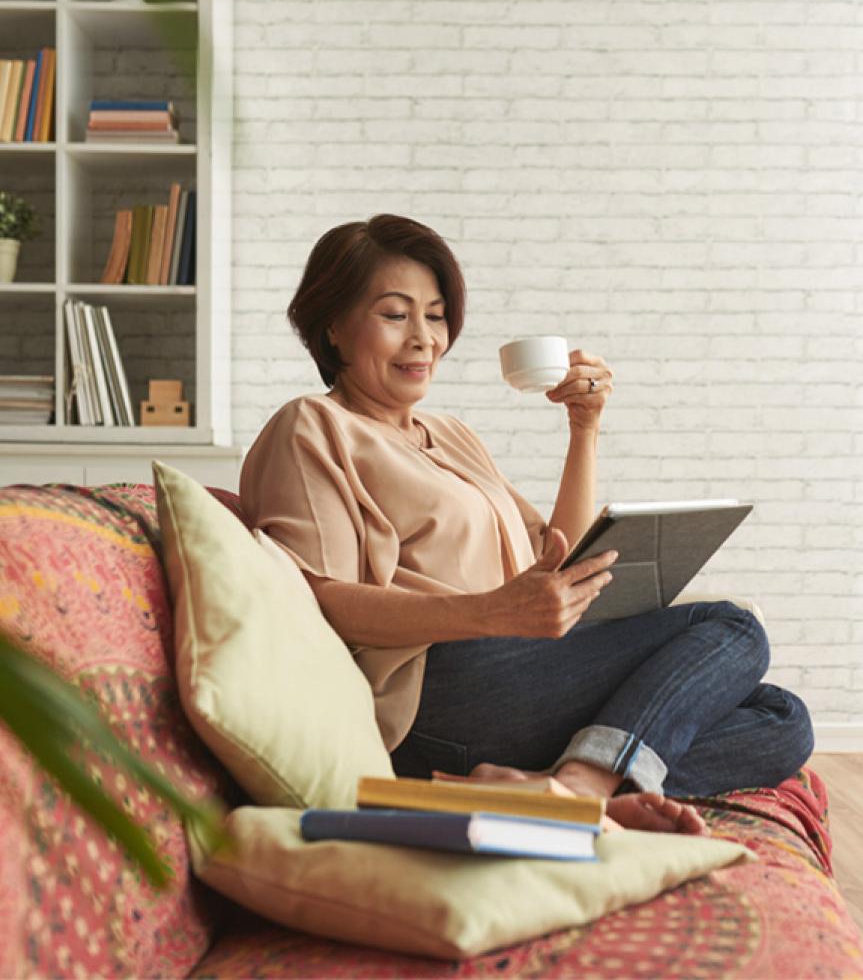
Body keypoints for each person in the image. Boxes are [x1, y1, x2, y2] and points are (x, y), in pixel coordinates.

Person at [240, 215, 814, 834]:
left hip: (518, 670)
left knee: (781, 717)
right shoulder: (313, 427)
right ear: (332, 325)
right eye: (394, 314)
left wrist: (583, 428)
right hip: (437, 693)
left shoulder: (452, 435)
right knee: (729, 625)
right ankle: (580, 784)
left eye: (434, 316)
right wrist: (490, 613)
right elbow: (317, 601)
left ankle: (544, 784)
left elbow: (559, 556)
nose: (423, 339)